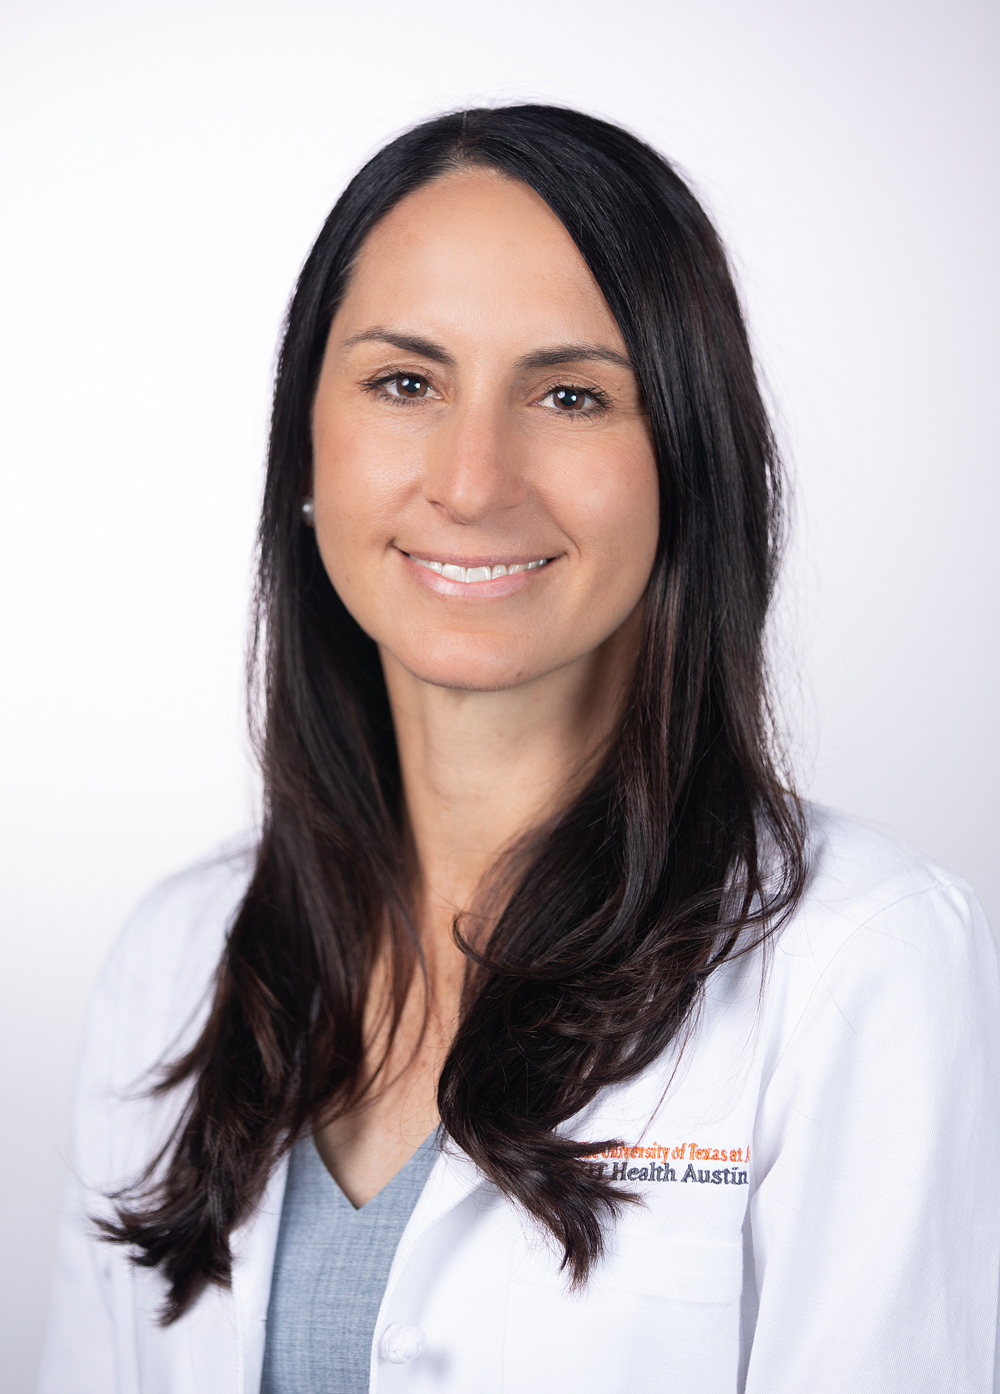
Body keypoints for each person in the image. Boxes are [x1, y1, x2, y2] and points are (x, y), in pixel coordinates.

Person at [38, 105, 999, 1394]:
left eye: (569, 394)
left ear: (686, 464)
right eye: (404, 383)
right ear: (306, 449)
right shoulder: (176, 960)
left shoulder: (861, 965)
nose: (474, 479)